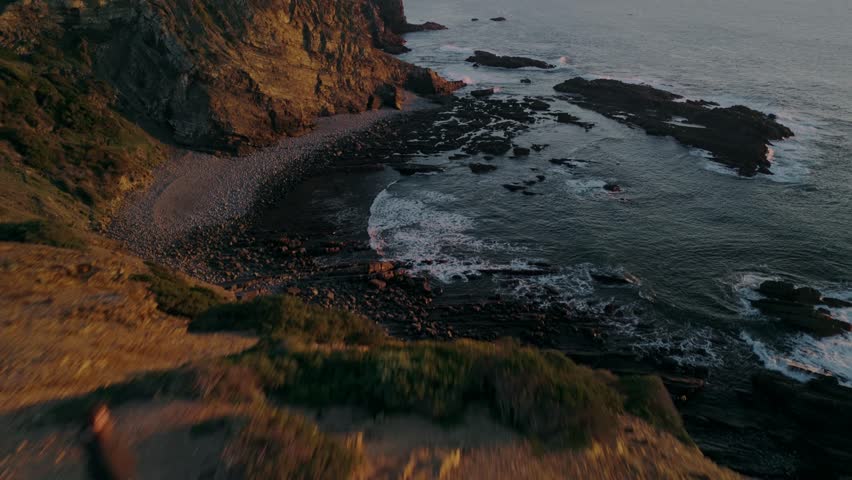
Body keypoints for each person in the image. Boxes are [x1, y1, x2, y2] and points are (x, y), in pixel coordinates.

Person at [82, 404, 136, 480]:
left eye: (101, 418)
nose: (97, 421)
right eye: (96, 419)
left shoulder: (109, 435)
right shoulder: (89, 436)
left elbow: (122, 459)